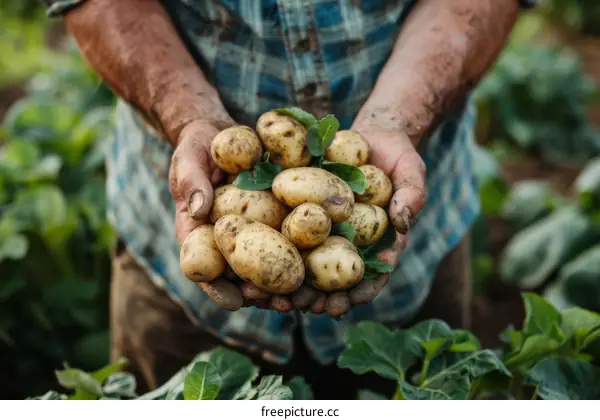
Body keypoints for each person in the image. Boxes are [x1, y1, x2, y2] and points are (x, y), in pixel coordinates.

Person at [42, 0, 531, 399]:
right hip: (169, 260)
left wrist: (398, 119)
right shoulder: (250, 212)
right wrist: (188, 117)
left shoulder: (330, 199)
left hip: (420, 246)